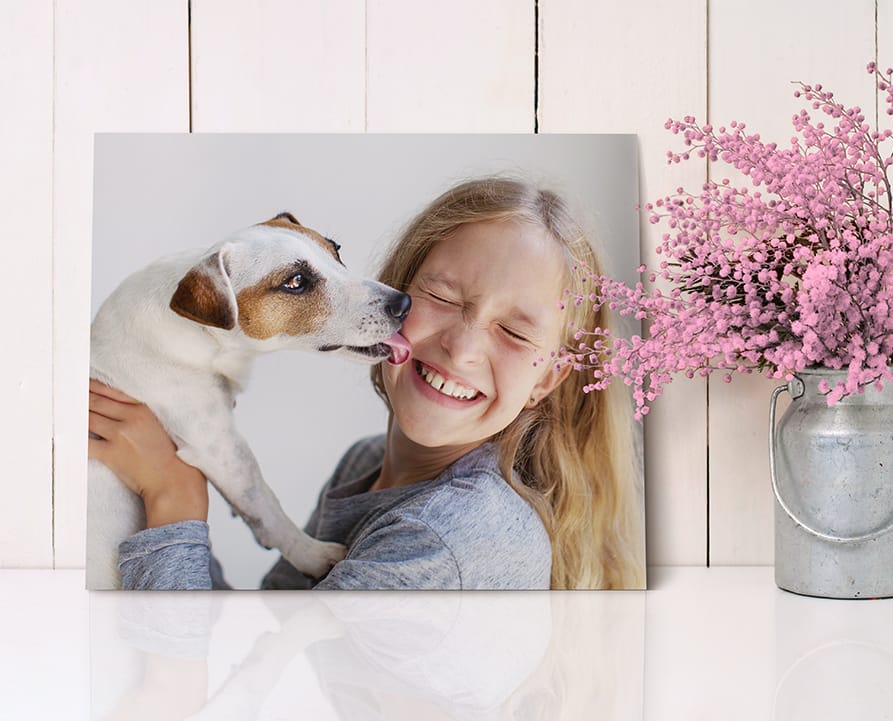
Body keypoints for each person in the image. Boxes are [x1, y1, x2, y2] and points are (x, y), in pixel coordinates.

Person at [88, 176, 645, 590]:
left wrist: (174, 494)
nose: (464, 347)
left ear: (549, 377)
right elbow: (262, 638)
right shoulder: (366, 466)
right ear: (397, 291)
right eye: (444, 297)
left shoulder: (445, 541)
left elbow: (199, 683)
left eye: (515, 332)